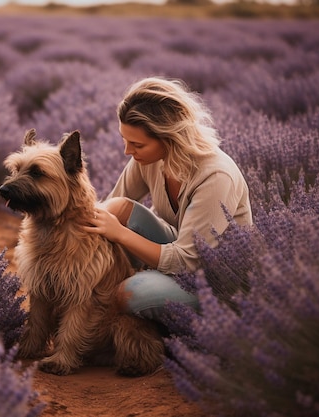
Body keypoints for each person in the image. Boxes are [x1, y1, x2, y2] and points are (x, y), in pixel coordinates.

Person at [84, 77, 253, 322]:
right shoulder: (150, 159)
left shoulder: (216, 176)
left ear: (169, 138)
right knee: (114, 209)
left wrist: (120, 234)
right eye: (125, 140)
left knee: (128, 293)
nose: (127, 152)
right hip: (178, 248)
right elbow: (107, 209)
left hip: (214, 281)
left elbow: (187, 260)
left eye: (137, 144)